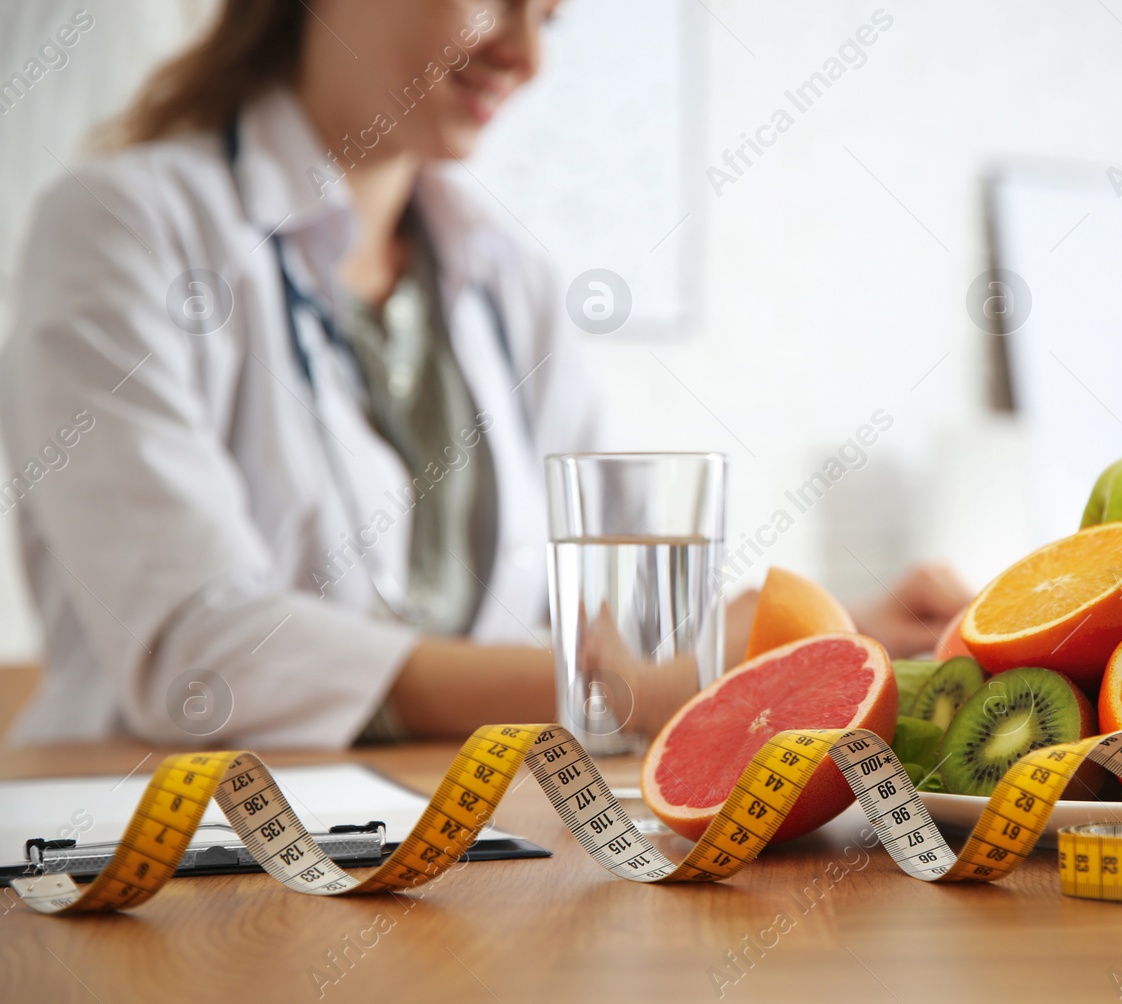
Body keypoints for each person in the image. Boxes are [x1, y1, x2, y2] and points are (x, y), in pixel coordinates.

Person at [0, 0, 969, 748]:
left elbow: (599, 621)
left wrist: (829, 631)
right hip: (155, 860)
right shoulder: (122, 227)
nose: (529, 55)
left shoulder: (510, 277)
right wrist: (611, 692)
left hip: (454, 836)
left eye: (549, 15)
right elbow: (196, 654)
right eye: (499, 0)